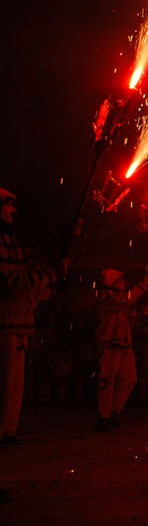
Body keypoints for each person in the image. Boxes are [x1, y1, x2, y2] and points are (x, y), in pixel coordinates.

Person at [0, 187, 57, 447]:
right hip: (5, 323)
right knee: (4, 383)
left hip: (18, 323)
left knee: (14, 384)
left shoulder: (10, 241)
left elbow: (30, 258)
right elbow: (13, 284)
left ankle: (8, 430)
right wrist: (49, 274)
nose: (13, 211)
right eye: (8, 206)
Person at [94, 268, 148, 430]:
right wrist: (143, 284)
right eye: (121, 280)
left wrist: (141, 316)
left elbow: (129, 318)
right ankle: (103, 417)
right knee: (106, 381)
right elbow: (126, 300)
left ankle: (113, 412)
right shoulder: (105, 296)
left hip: (124, 345)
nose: (124, 282)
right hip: (108, 345)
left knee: (129, 379)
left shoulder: (121, 299)